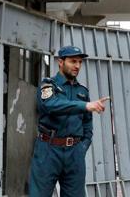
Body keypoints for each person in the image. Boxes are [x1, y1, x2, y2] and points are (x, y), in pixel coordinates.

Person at [29, 45, 109, 197]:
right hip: (48, 150)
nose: (77, 66)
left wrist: (82, 147)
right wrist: (85, 105)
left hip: (74, 153)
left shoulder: (82, 91)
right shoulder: (48, 85)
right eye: (73, 61)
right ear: (61, 62)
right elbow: (51, 105)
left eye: (80, 62)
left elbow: (87, 124)